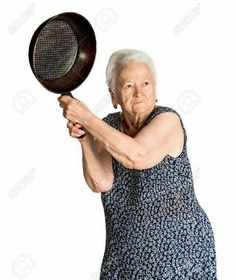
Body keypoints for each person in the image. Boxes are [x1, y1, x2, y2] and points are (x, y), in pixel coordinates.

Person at [58, 49, 217, 279]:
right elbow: (100, 182)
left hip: (180, 254)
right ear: (114, 96)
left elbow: (137, 156)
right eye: (128, 86)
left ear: (155, 91)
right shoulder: (108, 126)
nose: (139, 93)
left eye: (146, 83)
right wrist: (85, 138)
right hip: (125, 256)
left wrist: (87, 119)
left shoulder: (168, 120)